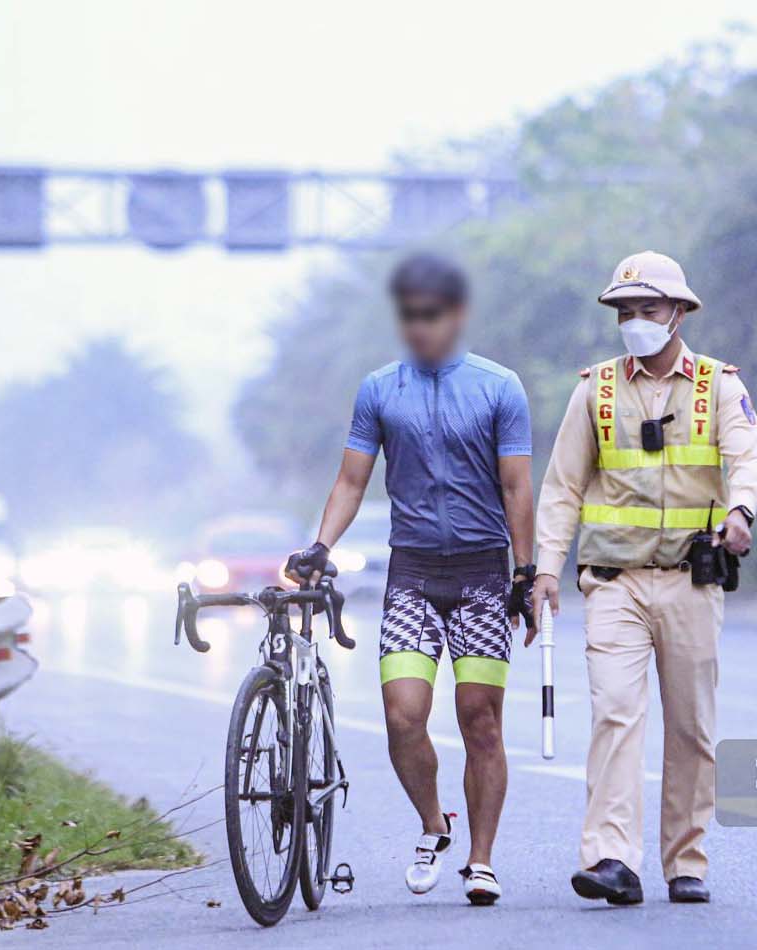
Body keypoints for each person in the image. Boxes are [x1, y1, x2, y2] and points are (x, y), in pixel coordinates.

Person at [286, 253, 536, 906]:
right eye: (408, 318)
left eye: (430, 317)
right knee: (404, 716)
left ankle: (481, 861)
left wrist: (527, 570)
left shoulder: (499, 386)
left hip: (483, 573)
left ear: (456, 316)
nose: (417, 329)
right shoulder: (379, 389)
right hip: (413, 574)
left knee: (480, 720)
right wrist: (321, 543)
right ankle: (434, 822)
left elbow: (517, 485)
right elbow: (351, 479)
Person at [529, 250, 757, 906]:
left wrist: (741, 511)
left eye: (649, 309)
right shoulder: (595, 390)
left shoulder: (719, 385)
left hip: (692, 581)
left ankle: (686, 860)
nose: (636, 320)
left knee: (690, 727)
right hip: (614, 584)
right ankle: (610, 858)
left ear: (679, 313)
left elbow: (747, 455)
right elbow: (561, 488)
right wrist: (547, 569)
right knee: (615, 714)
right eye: (625, 311)